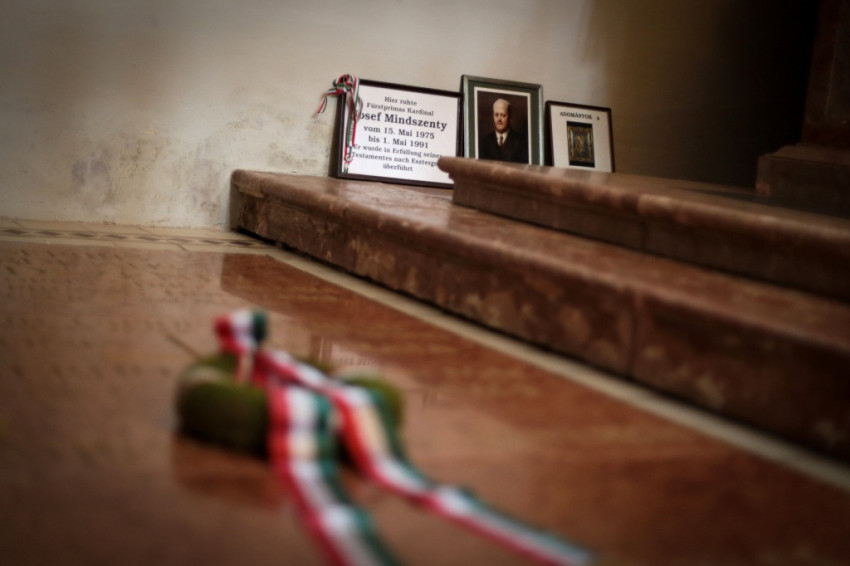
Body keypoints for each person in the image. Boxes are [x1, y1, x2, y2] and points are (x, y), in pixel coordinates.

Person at [477, 98, 529, 163]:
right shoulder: (485, 142)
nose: (499, 119)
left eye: (503, 115)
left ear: (510, 117)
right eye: (496, 115)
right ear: (493, 116)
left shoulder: (521, 142)